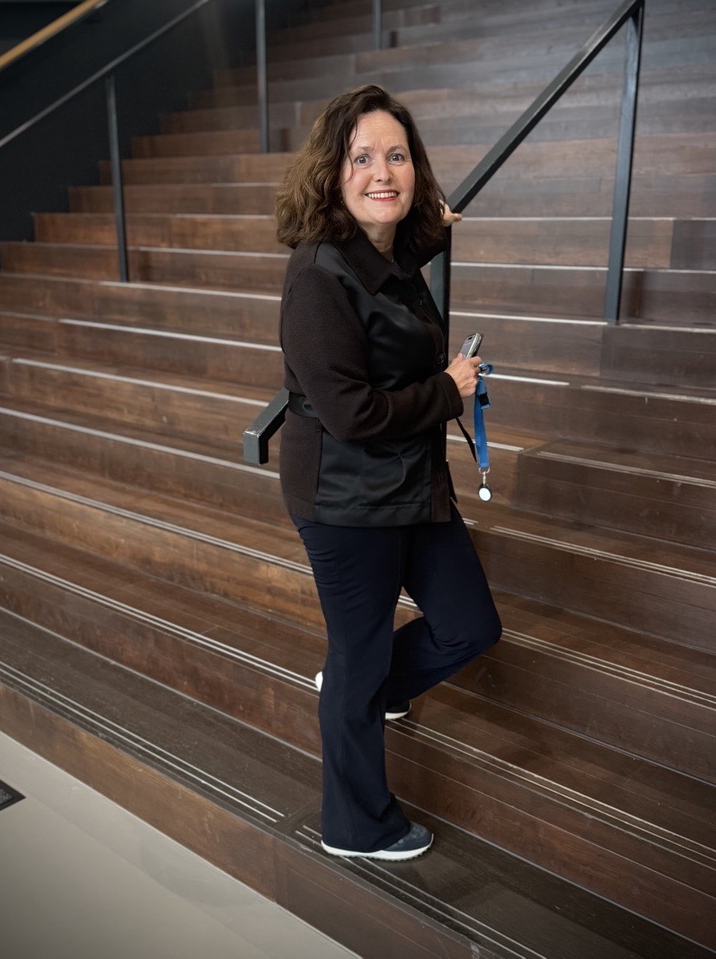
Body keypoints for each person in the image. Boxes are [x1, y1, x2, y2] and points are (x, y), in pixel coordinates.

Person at [275, 84, 502, 861]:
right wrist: (450, 390)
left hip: (408, 484)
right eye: (363, 157)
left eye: (397, 157)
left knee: (471, 626)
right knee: (359, 656)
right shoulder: (316, 277)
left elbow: (388, 275)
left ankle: (371, 687)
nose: (384, 171)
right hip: (343, 495)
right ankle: (356, 826)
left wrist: (429, 229)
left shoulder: (385, 256)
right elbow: (351, 414)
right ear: (331, 173)